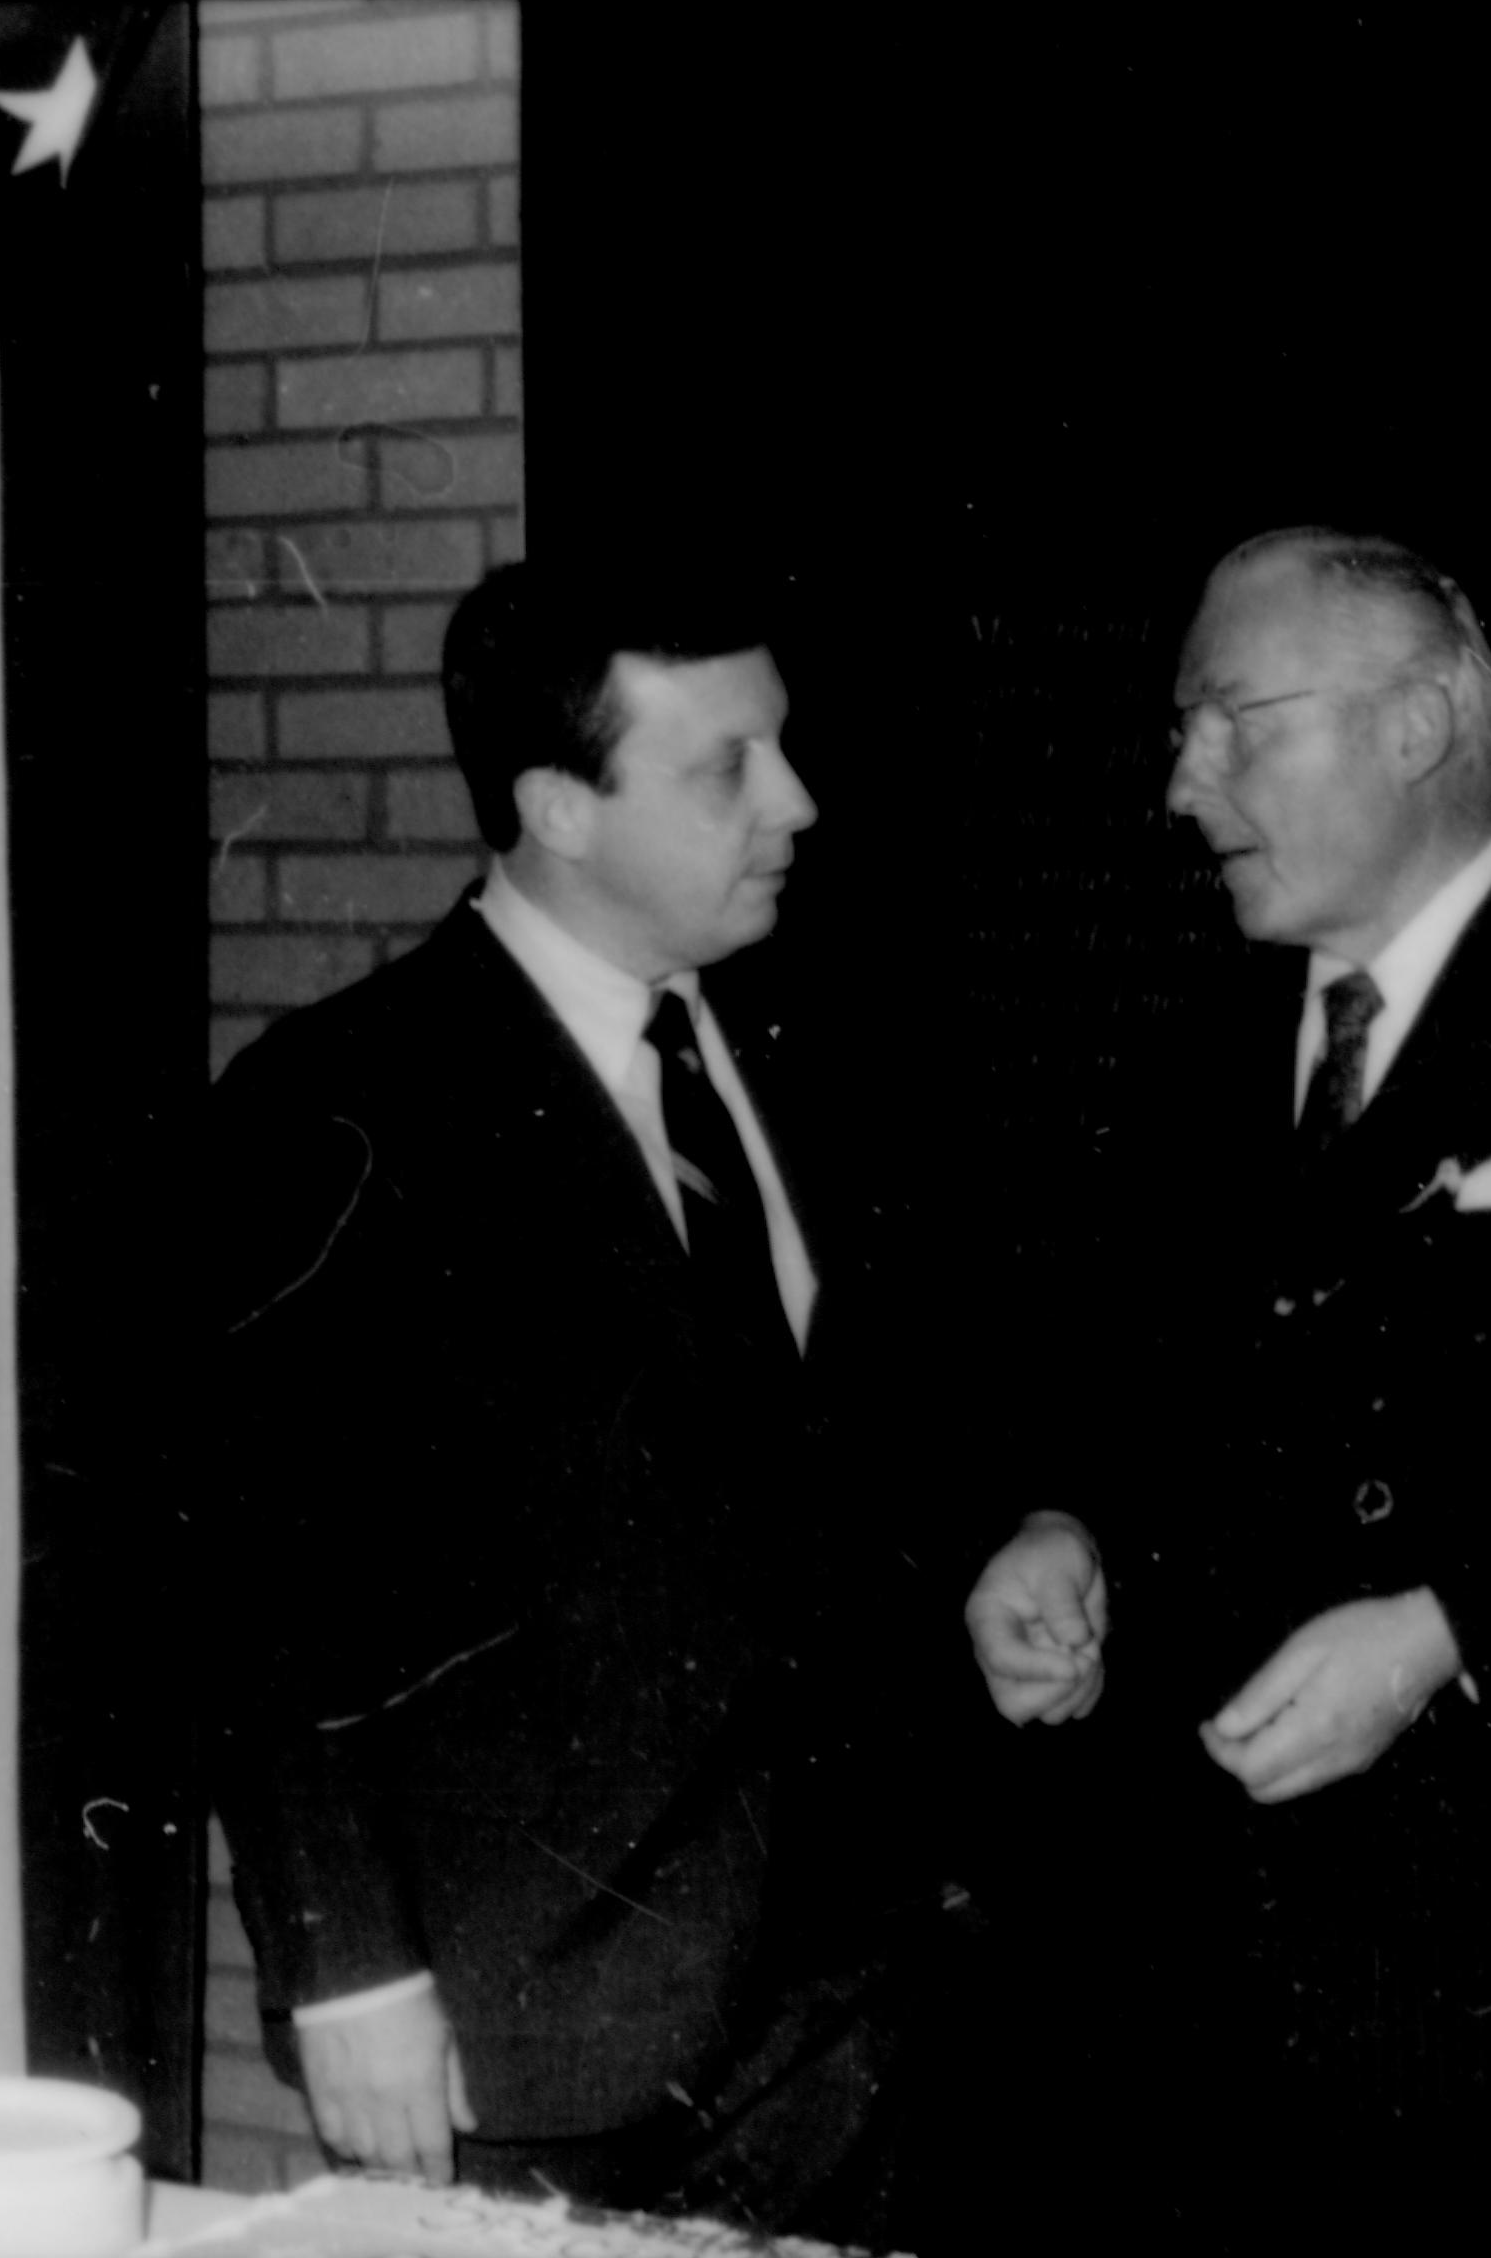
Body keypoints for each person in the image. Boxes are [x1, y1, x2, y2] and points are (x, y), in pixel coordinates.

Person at [960, 528, 1491, 2244]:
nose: (1184, 784)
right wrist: (1056, 1521)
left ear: (1412, 729)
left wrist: (1448, 1626)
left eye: (1230, 722)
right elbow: (1112, 1369)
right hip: (1203, 1963)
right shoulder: (1191, 1042)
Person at [200, 557, 953, 2241]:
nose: (800, 803)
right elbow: (269, 1576)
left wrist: (1002, 1548)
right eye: (728, 768)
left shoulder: (810, 1050)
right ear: (558, 805)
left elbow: (838, 1435)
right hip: (533, 2026)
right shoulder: (342, 1107)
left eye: (785, 744)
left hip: (846, 1992)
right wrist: (344, 1974)